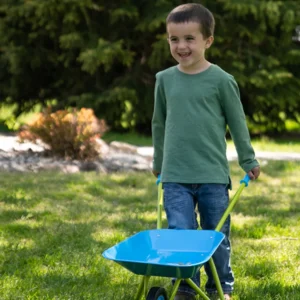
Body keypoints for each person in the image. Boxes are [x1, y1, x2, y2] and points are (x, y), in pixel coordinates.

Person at [151, 3, 260, 300]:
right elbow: (159, 124)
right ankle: (186, 287)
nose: (181, 46)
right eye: (174, 39)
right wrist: (158, 162)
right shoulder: (165, 80)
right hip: (175, 176)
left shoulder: (222, 81)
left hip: (212, 175)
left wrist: (248, 159)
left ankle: (219, 286)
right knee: (181, 235)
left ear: (207, 41)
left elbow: (237, 123)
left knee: (215, 237)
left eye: (189, 39)